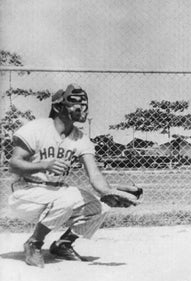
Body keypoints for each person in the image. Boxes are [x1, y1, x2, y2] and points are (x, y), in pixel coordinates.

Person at [8, 84, 135, 268]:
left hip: (55, 193)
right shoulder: (36, 128)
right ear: (59, 107)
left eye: (84, 103)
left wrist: (109, 192)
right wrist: (43, 165)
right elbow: (14, 164)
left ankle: (63, 245)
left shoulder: (80, 138)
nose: (82, 108)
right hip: (26, 193)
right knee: (68, 196)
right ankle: (33, 243)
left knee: (101, 207)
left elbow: (95, 174)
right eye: (75, 103)